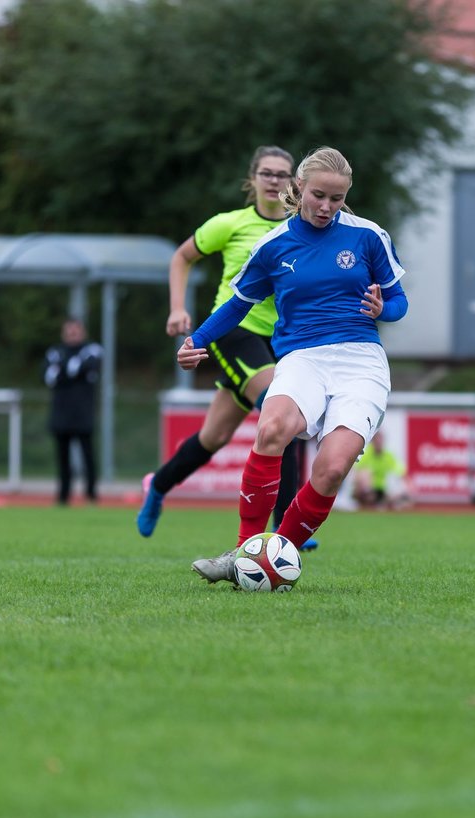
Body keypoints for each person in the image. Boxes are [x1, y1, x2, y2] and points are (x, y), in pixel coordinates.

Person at [176, 146, 408, 584]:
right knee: (272, 428)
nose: (326, 207)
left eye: (336, 199)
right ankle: (245, 550)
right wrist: (197, 341)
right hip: (302, 356)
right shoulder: (273, 245)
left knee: (332, 468)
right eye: (318, 195)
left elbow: (399, 303)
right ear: (299, 187)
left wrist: (382, 309)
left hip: (361, 363)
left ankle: (274, 554)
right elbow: (235, 305)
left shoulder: (368, 236)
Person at [136, 145, 314, 546]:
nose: (274, 181)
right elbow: (181, 258)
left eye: (282, 174)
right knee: (279, 408)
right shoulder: (229, 224)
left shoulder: (299, 231)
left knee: (213, 438)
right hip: (232, 334)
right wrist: (177, 308)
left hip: (278, 342)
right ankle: (287, 525)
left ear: (295, 185)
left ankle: (158, 485)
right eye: (266, 173)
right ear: (251, 180)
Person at [45, 318, 102, 506]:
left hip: (83, 412)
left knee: (88, 455)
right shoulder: (55, 351)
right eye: (69, 331)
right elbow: (48, 376)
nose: (72, 334)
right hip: (61, 412)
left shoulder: (91, 350)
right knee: (62, 457)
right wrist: (69, 370)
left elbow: (79, 368)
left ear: (83, 332)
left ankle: (91, 494)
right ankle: (63, 495)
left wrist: (65, 370)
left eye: (76, 331)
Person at [353, 431, 410, 510]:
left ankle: (385, 502)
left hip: (383, 490)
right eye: (377, 440)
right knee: (364, 474)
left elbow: (401, 472)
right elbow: (357, 473)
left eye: (380, 440)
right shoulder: (366, 454)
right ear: (373, 442)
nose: (379, 443)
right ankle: (366, 502)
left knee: (398, 484)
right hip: (369, 489)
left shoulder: (388, 456)